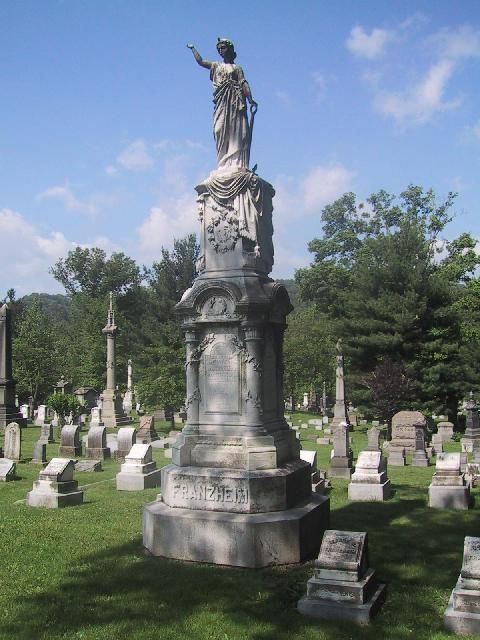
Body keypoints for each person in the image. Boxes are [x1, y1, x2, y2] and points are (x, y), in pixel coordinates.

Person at [187, 39, 257, 171]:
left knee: (237, 131)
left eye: (223, 47)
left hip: (236, 102)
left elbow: (243, 83)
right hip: (222, 102)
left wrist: (250, 99)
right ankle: (223, 162)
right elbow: (200, 61)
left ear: (229, 49)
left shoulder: (236, 68)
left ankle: (236, 162)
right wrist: (193, 49)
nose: (220, 50)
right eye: (219, 49)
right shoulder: (216, 65)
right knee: (219, 130)